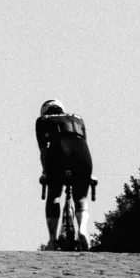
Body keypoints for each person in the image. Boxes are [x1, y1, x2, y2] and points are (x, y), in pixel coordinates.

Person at [36, 99, 95, 249]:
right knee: (81, 196)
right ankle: (82, 229)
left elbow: (43, 149)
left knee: (54, 196)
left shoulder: (42, 121)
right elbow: (84, 143)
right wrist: (90, 175)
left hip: (57, 156)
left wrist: (45, 172)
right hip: (82, 157)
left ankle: (52, 240)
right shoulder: (77, 118)